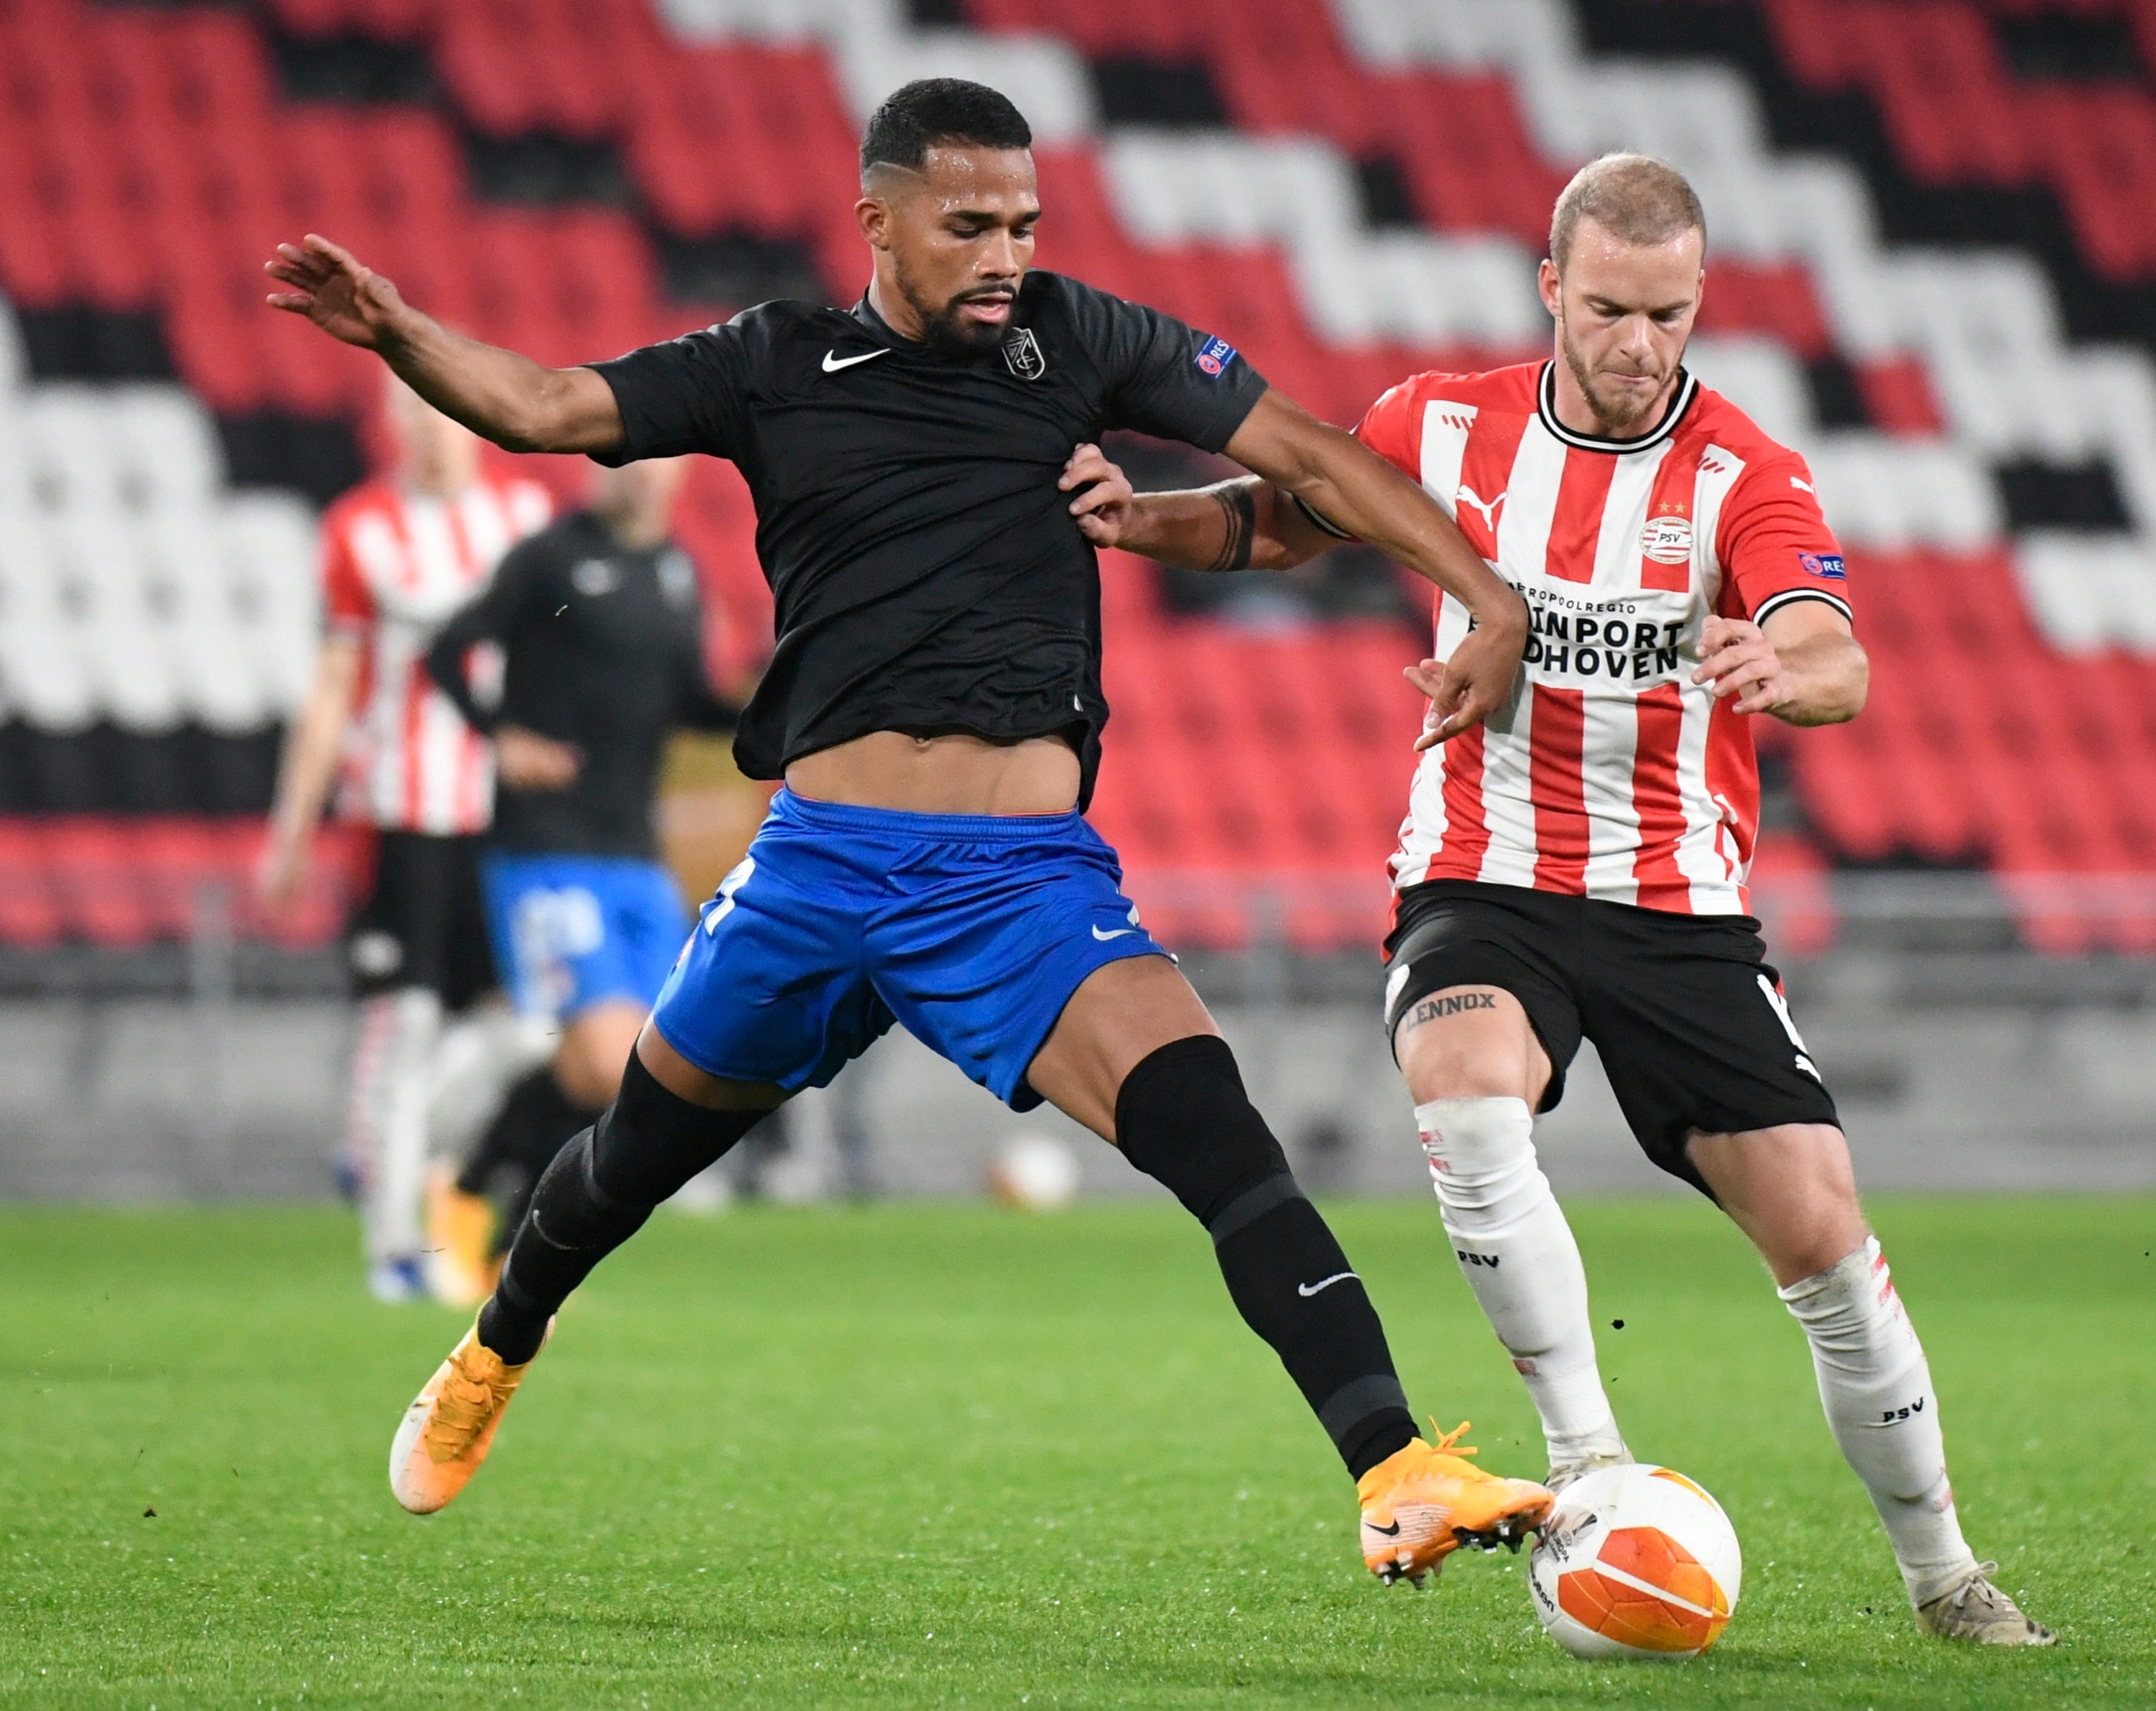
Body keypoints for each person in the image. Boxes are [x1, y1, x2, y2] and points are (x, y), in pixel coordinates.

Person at [264, 77, 1546, 1585]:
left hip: (1015, 884)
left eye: (1023, 219)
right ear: (875, 218)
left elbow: (1318, 460)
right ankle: (495, 1343)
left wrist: (1490, 597)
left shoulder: (1083, 337)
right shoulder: (771, 361)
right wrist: (403, 333)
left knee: (1218, 1130)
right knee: (628, 1156)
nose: (1004, 249)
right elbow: (547, 407)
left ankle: (1396, 1466)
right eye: (968, 222)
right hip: (817, 865)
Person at [1077, 154, 2054, 1644]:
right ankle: (1589, 1461)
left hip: (1678, 906)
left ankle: (1944, 1570)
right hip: (1485, 880)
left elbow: (1831, 647)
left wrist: (1789, 668)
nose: (1636, 343)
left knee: (1822, 1235)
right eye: (1606, 307)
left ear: (1698, 301)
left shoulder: (1748, 470)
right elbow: (1285, 519)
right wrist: (1139, 518)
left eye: (1667, 313)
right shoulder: (1439, 421)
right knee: (1461, 1079)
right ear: (1552, 288)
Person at [258, 372, 552, 1302]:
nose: (433, 431)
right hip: (399, 809)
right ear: (388, 427)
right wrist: (292, 827)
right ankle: (393, 1246)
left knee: (527, 1029)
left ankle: (384, 1146)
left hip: (504, 815)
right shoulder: (360, 530)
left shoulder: (525, 517)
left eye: (445, 411)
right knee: (409, 1019)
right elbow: (334, 685)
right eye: (413, 416)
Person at [420, 456, 738, 1299]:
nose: (644, 473)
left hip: (636, 852)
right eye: (629, 456)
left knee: (641, 1072)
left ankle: (492, 1219)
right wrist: (502, 733)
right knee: (603, 1063)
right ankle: (481, 1186)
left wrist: (773, 704)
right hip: (549, 843)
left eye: (661, 458)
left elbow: (688, 701)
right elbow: (450, 646)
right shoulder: (551, 557)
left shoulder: (677, 571)